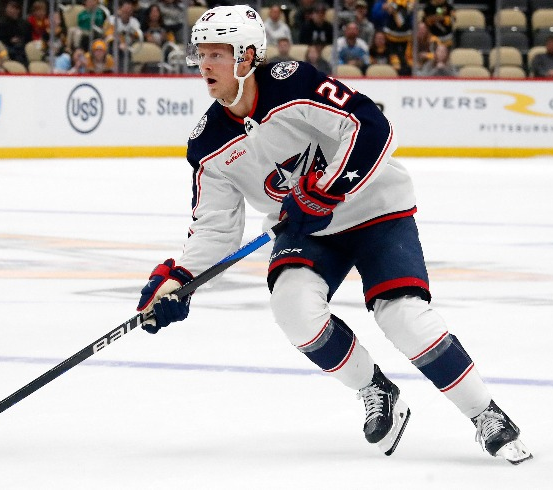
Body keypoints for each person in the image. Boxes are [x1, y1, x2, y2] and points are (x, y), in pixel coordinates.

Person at [137, 4, 533, 465]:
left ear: (247, 56)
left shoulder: (292, 82)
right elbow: (215, 229)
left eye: (217, 53)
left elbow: (371, 126)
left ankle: (485, 413)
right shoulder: (207, 145)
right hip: (308, 227)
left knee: (402, 316)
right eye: (200, 53)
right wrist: (178, 280)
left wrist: (325, 190)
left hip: (373, 206)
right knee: (292, 308)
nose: (204, 65)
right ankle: (375, 388)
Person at [0, 0, 32, 66]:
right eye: (8, 8)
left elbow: (28, 39)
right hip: (6, 49)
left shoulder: (25, 24)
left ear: (18, 10)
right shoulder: (2, 23)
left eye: (12, 8)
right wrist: (10, 40)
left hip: (21, 48)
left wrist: (20, 40)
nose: (9, 10)